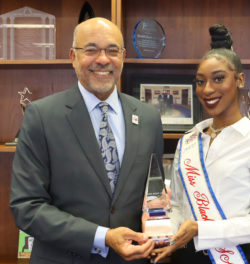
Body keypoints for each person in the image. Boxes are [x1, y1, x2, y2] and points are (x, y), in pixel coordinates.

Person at [10, 17, 164, 264]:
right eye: (91, 50)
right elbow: (27, 207)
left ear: (123, 57)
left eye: (112, 50)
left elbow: (154, 194)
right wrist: (102, 237)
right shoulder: (41, 116)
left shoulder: (149, 118)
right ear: (73, 56)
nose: (103, 59)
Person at [152, 24, 250, 264]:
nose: (208, 89)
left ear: (240, 79)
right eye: (201, 82)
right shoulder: (188, 140)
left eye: (219, 79)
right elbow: (177, 206)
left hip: (238, 257)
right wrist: (165, 241)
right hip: (187, 257)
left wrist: (201, 230)